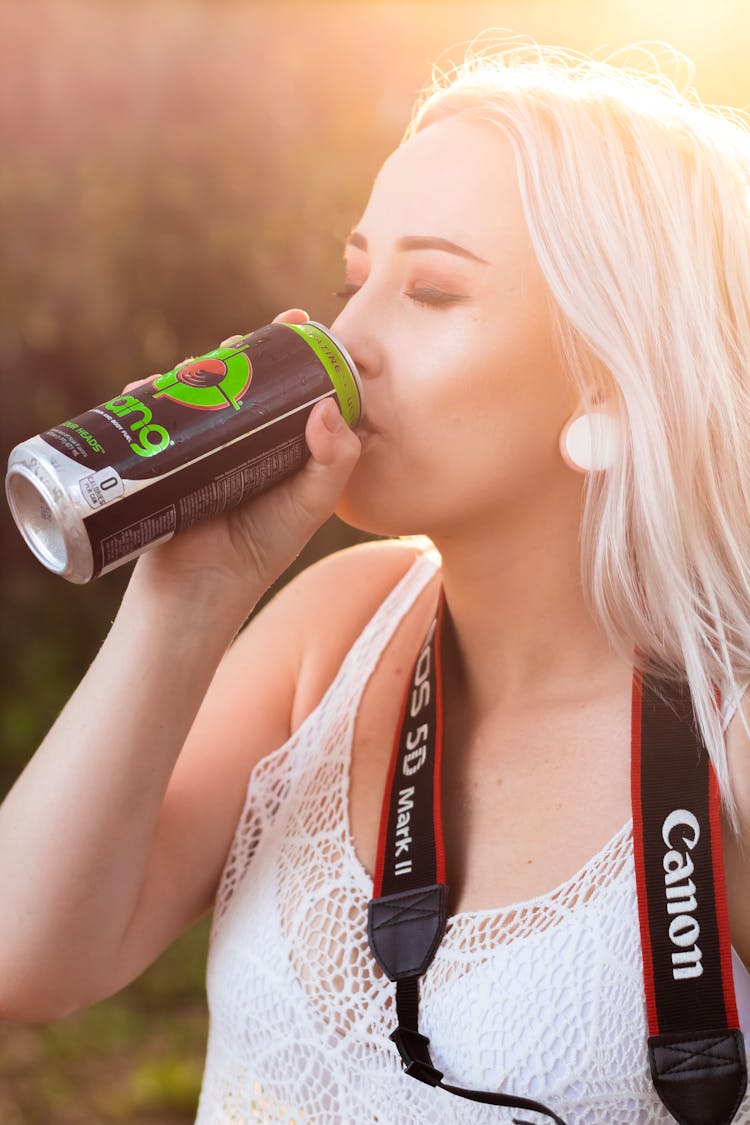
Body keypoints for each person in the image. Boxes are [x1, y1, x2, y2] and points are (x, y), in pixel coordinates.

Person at [3, 32, 750, 1124]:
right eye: (358, 278)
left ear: (610, 381)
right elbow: (28, 960)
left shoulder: (726, 745)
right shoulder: (333, 627)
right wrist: (193, 588)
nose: (347, 342)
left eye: (433, 291)